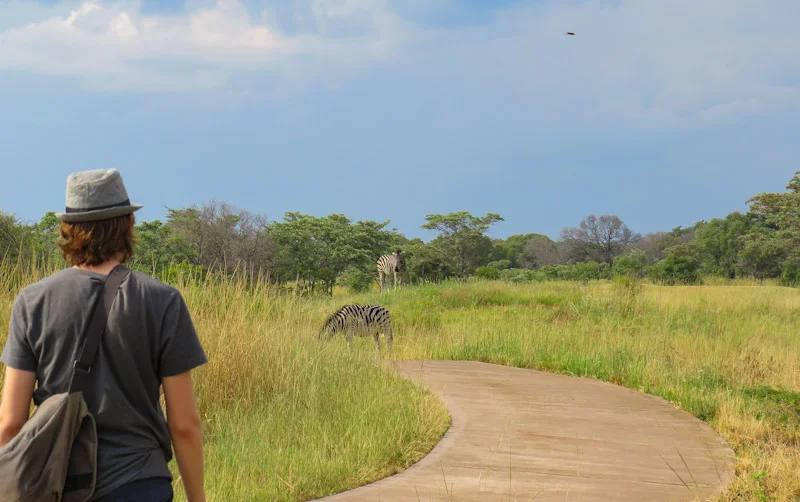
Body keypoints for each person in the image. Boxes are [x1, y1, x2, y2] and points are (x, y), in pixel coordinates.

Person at [0, 169, 207, 501]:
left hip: (58, 486)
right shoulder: (162, 300)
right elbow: (184, 425)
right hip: (141, 483)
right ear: (128, 225)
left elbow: (10, 423)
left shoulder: (32, 301)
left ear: (67, 229)